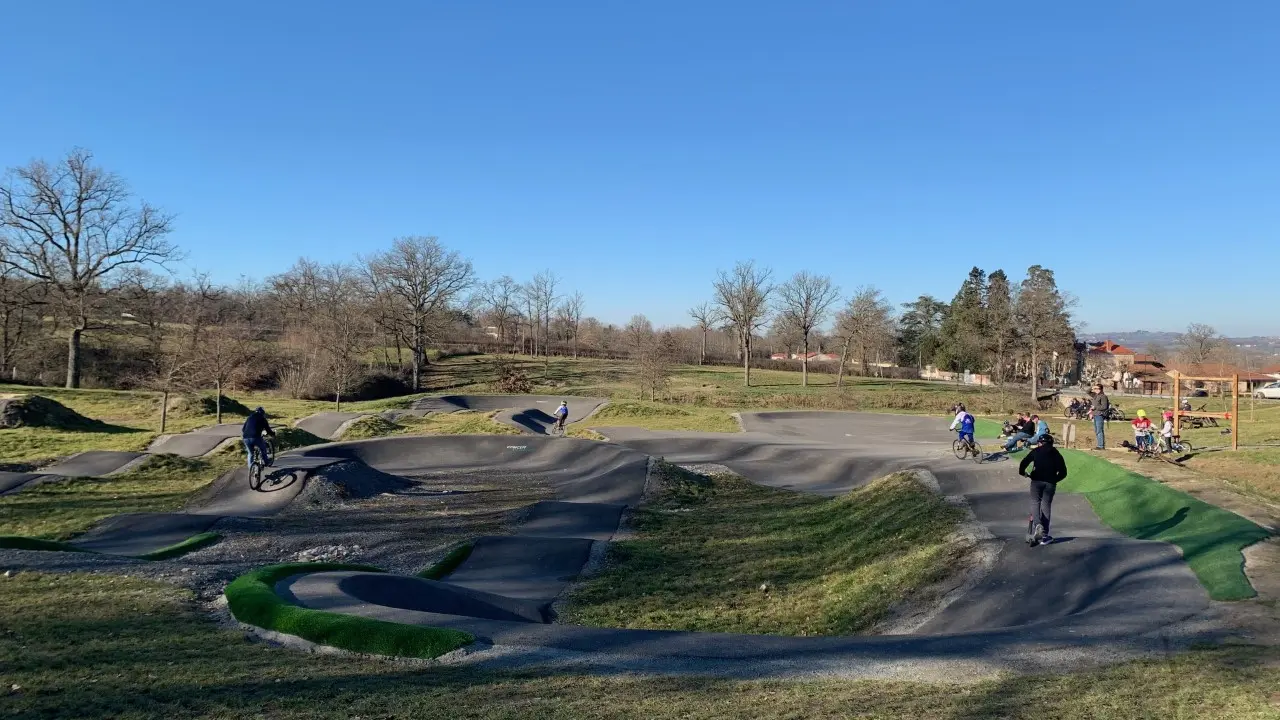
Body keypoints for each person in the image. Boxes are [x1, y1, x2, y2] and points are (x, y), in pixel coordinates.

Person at [1018, 433, 1068, 546]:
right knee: (1046, 505)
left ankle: (1038, 524)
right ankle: (1044, 536)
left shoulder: (1036, 451)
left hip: (1036, 481)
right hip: (1050, 483)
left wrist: (1023, 473)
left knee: (1035, 502)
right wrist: (1054, 479)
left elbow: (1023, 463)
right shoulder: (1056, 454)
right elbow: (1064, 472)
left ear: (1040, 443)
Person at [241, 406, 276, 472]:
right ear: (263, 413)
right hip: (255, 437)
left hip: (245, 437)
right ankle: (266, 463)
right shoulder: (262, 419)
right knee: (263, 449)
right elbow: (268, 430)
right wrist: (273, 434)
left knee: (250, 453)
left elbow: (243, 429)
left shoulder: (249, 418)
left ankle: (251, 470)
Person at [1089, 384, 1110, 450]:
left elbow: (1104, 407)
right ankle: (1099, 445)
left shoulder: (1103, 396)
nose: (1095, 390)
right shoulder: (1095, 395)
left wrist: (1095, 407)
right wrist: (1092, 387)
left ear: (1100, 389)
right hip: (1095, 415)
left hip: (1100, 415)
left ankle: (1101, 446)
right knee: (1097, 430)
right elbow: (1087, 391)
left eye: (1097, 388)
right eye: (1095, 389)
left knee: (1099, 430)